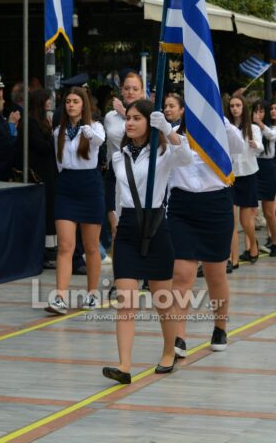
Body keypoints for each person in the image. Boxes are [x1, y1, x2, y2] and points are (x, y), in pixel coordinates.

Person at [102, 100, 192, 384]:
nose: (129, 123)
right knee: (126, 301)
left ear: (149, 122)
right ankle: (124, 365)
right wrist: (115, 219)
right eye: (127, 118)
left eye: (136, 118)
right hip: (128, 228)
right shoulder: (120, 156)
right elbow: (118, 192)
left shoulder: (163, 152)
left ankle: (168, 351)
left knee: (162, 300)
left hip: (156, 227)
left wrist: (167, 129)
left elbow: (186, 157)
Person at [170, 109, 245, 358]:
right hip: (182, 206)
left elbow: (239, 146)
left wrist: (221, 121)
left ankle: (220, 327)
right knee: (181, 273)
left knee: (216, 274)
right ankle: (178, 336)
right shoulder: (175, 134)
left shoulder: (221, 133)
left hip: (215, 205)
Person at [46, 87, 105, 314]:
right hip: (67, 186)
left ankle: (92, 294)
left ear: (84, 105)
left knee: (91, 246)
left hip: (90, 186)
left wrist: (88, 132)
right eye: (68, 101)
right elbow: (59, 162)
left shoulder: (95, 127)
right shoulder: (58, 131)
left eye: (76, 101)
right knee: (65, 245)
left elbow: (100, 142)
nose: (71, 105)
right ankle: (60, 296)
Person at [14, 88, 58, 266]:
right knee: (45, 211)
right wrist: (54, 138)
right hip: (39, 172)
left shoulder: (41, 120)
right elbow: (40, 146)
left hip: (48, 171)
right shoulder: (30, 121)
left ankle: (50, 249)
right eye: (47, 99)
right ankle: (46, 252)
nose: (49, 103)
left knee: (50, 210)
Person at [103, 72, 145, 239]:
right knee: (118, 231)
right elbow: (109, 148)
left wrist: (125, 113)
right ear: (121, 90)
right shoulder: (110, 117)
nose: (130, 92)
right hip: (117, 174)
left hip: (142, 175)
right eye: (127, 88)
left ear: (142, 92)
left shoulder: (150, 115)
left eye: (135, 89)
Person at [226, 94, 263, 266]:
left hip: (248, 174)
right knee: (231, 220)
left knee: (246, 221)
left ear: (243, 107)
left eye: (238, 105)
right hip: (231, 176)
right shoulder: (226, 127)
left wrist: (255, 145)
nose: (235, 109)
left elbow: (260, 148)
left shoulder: (252, 128)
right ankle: (232, 259)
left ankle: (253, 244)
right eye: (232, 106)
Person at [251, 100, 276, 257]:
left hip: (268, 168)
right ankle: (251, 246)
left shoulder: (272, 128)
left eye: (261, 111)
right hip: (253, 167)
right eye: (255, 111)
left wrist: (260, 124)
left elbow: (272, 136)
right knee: (251, 210)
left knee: (269, 211)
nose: (258, 114)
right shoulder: (249, 128)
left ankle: (275, 241)